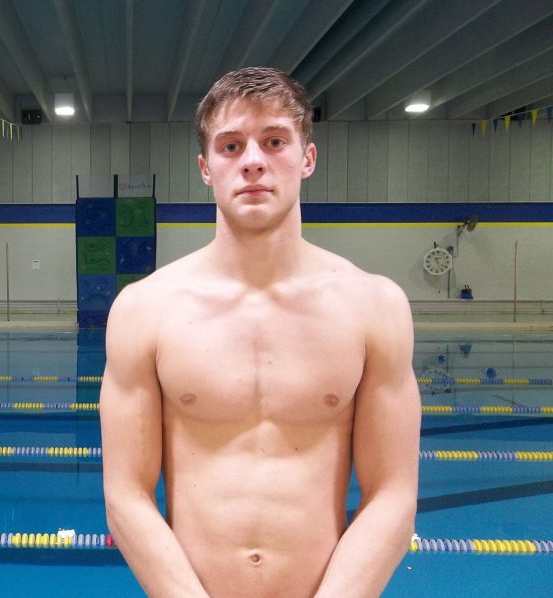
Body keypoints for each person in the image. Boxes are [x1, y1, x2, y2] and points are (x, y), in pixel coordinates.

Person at [100, 67, 420, 597]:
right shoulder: (144, 310)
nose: (252, 161)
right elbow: (125, 494)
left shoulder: (374, 306)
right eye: (230, 146)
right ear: (206, 168)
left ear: (307, 158)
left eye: (274, 141)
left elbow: (393, 494)